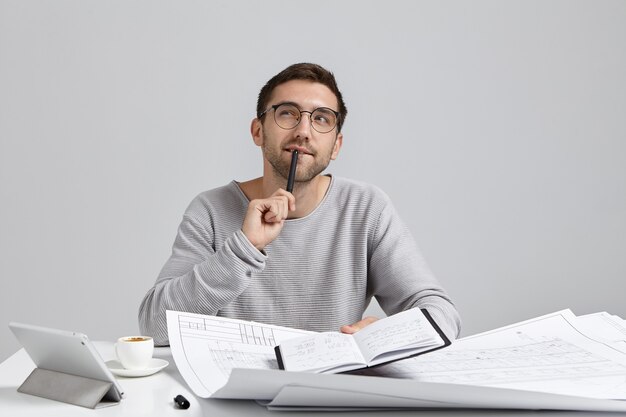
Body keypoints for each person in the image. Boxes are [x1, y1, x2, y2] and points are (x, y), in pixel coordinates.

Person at [138, 63, 461, 346]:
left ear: (336, 145)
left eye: (321, 119)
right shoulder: (210, 210)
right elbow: (154, 327)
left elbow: (442, 314)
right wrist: (245, 247)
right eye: (288, 113)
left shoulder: (367, 208)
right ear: (258, 131)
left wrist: (393, 332)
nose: (303, 131)